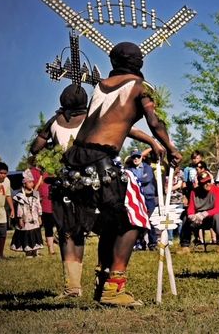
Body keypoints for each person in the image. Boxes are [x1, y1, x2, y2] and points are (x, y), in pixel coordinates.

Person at [60, 42, 182, 306]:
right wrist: (170, 146)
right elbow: (154, 120)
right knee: (134, 219)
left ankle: (102, 281)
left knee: (112, 222)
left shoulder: (101, 86)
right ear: (139, 62)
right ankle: (114, 288)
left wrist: (151, 141)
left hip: (75, 162)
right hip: (101, 162)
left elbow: (114, 123)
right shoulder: (141, 87)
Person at [30, 81, 164, 301]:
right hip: (99, 181)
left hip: (68, 181)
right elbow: (127, 129)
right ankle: (103, 280)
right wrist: (153, 141)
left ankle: (73, 286)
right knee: (112, 228)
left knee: (70, 232)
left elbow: (36, 147)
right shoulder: (96, 118)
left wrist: (51, 153)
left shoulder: (54, 121)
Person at [177, 171, 219, 254]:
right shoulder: (194, 192)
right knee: (186, 218)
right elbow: (191, 208)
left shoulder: (216, 190)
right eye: (204, 182)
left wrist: (205, 214)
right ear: (200, 183)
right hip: (199, 219)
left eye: (208, 181)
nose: (207, 184)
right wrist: (192, 216)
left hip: (214, 217)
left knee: (218, 216)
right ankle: (185, 246)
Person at [127, 149, 158, 251]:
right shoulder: (129, 169)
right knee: (137, 221)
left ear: (141, 157)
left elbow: (147, 178)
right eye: (134, 157)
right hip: (136, 199)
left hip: (148, 197)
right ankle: (139, 242)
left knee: (150, 220)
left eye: (138, 157)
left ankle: (153, 243)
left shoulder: (147, 167)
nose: (136, 159)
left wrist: (135, 180)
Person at [10, 169, 44, 257]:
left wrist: (40, 217)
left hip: (35, 217)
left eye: (32, 182)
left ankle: (35, 251)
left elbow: (38, 205)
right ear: (24, 183)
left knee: (35, 232)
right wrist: (20, 219)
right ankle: (28, 252)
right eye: (29, 182)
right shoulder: (20, 196)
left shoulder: (35, 193)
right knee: (26, 234)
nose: (32, 184)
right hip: (25, 218)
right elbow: (19, 208)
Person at [28, 156, 56, 255]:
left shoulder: (50, 172)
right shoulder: (31, 172)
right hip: (38, 205)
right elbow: (32, 190)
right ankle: (36, 250)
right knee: (36, 227)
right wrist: (36, 201)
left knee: (49, 227)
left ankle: (51, 250)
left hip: (50, 205)